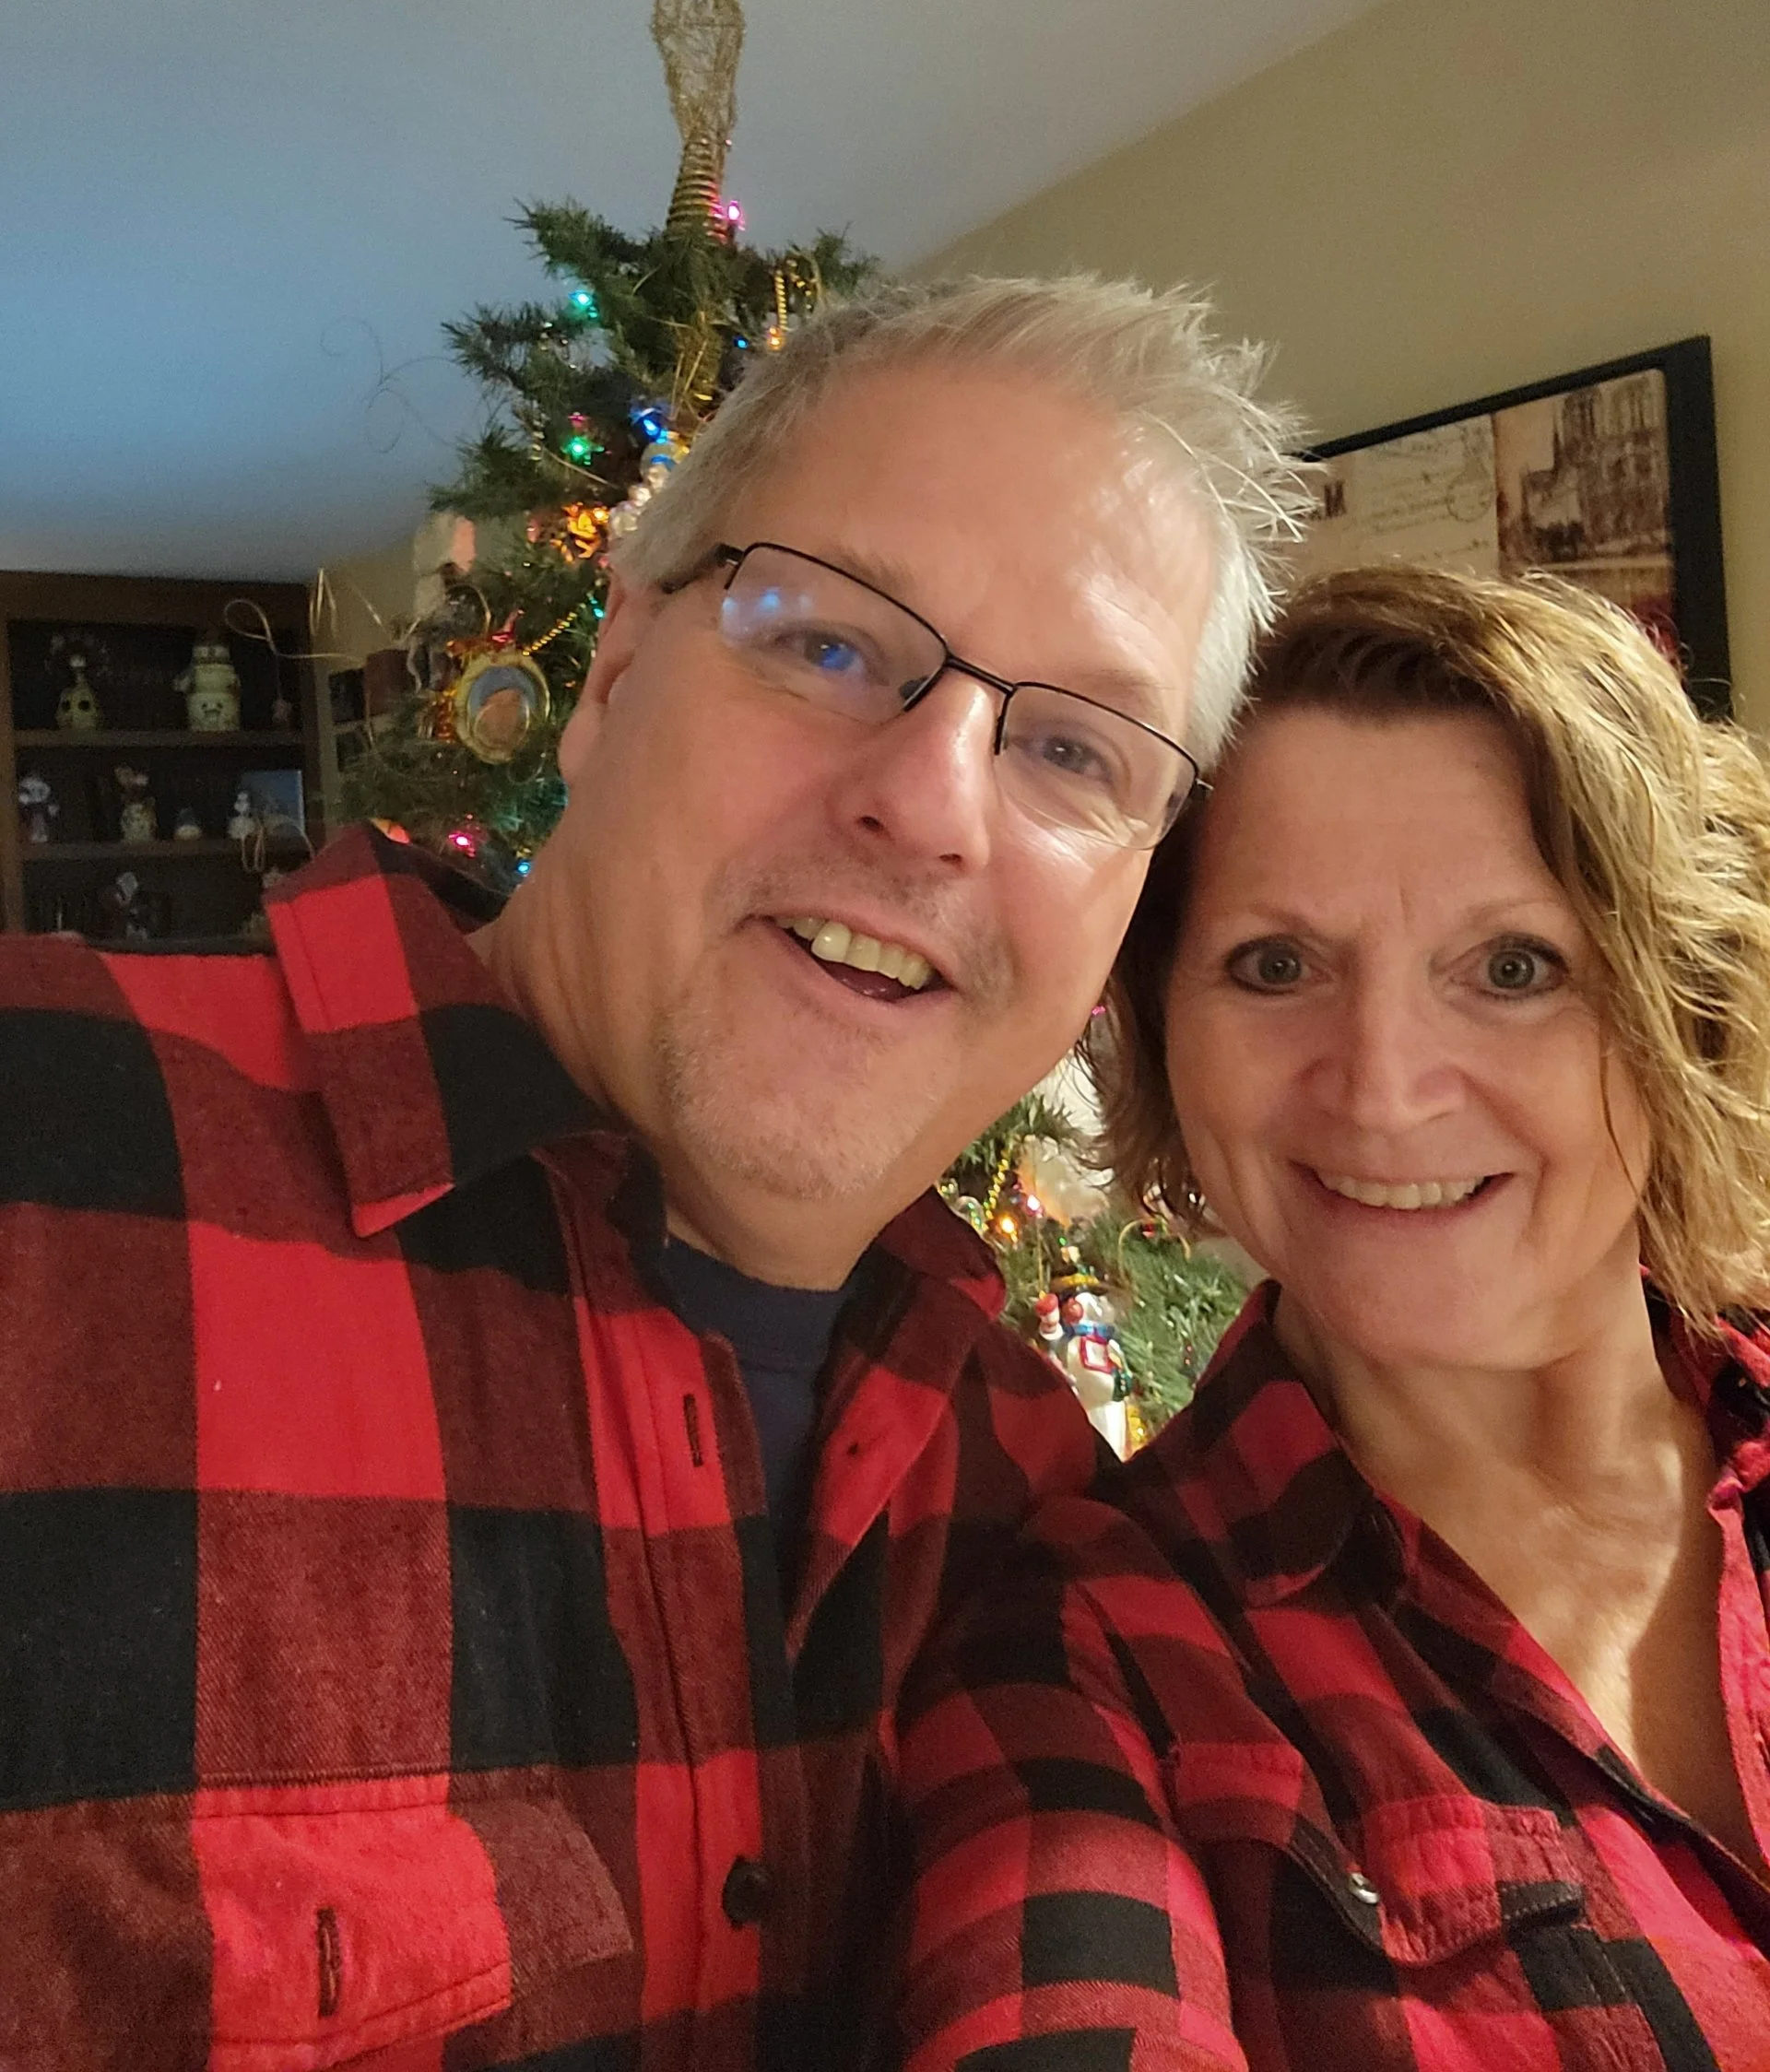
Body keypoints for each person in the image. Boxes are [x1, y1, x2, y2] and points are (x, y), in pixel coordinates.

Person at [0, 275, 1308, 2072]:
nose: (931, 801)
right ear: (612, 671)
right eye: (832, 641)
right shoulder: (44, 1159)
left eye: (1074, 745)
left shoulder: (1023, 1486)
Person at [893, 564, 1770, 2070]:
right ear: (1165, 1033)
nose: (1379, 1085)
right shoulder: (1094, 1662)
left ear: (1677, 1007)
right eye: (1275, 965)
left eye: (1513, 968)